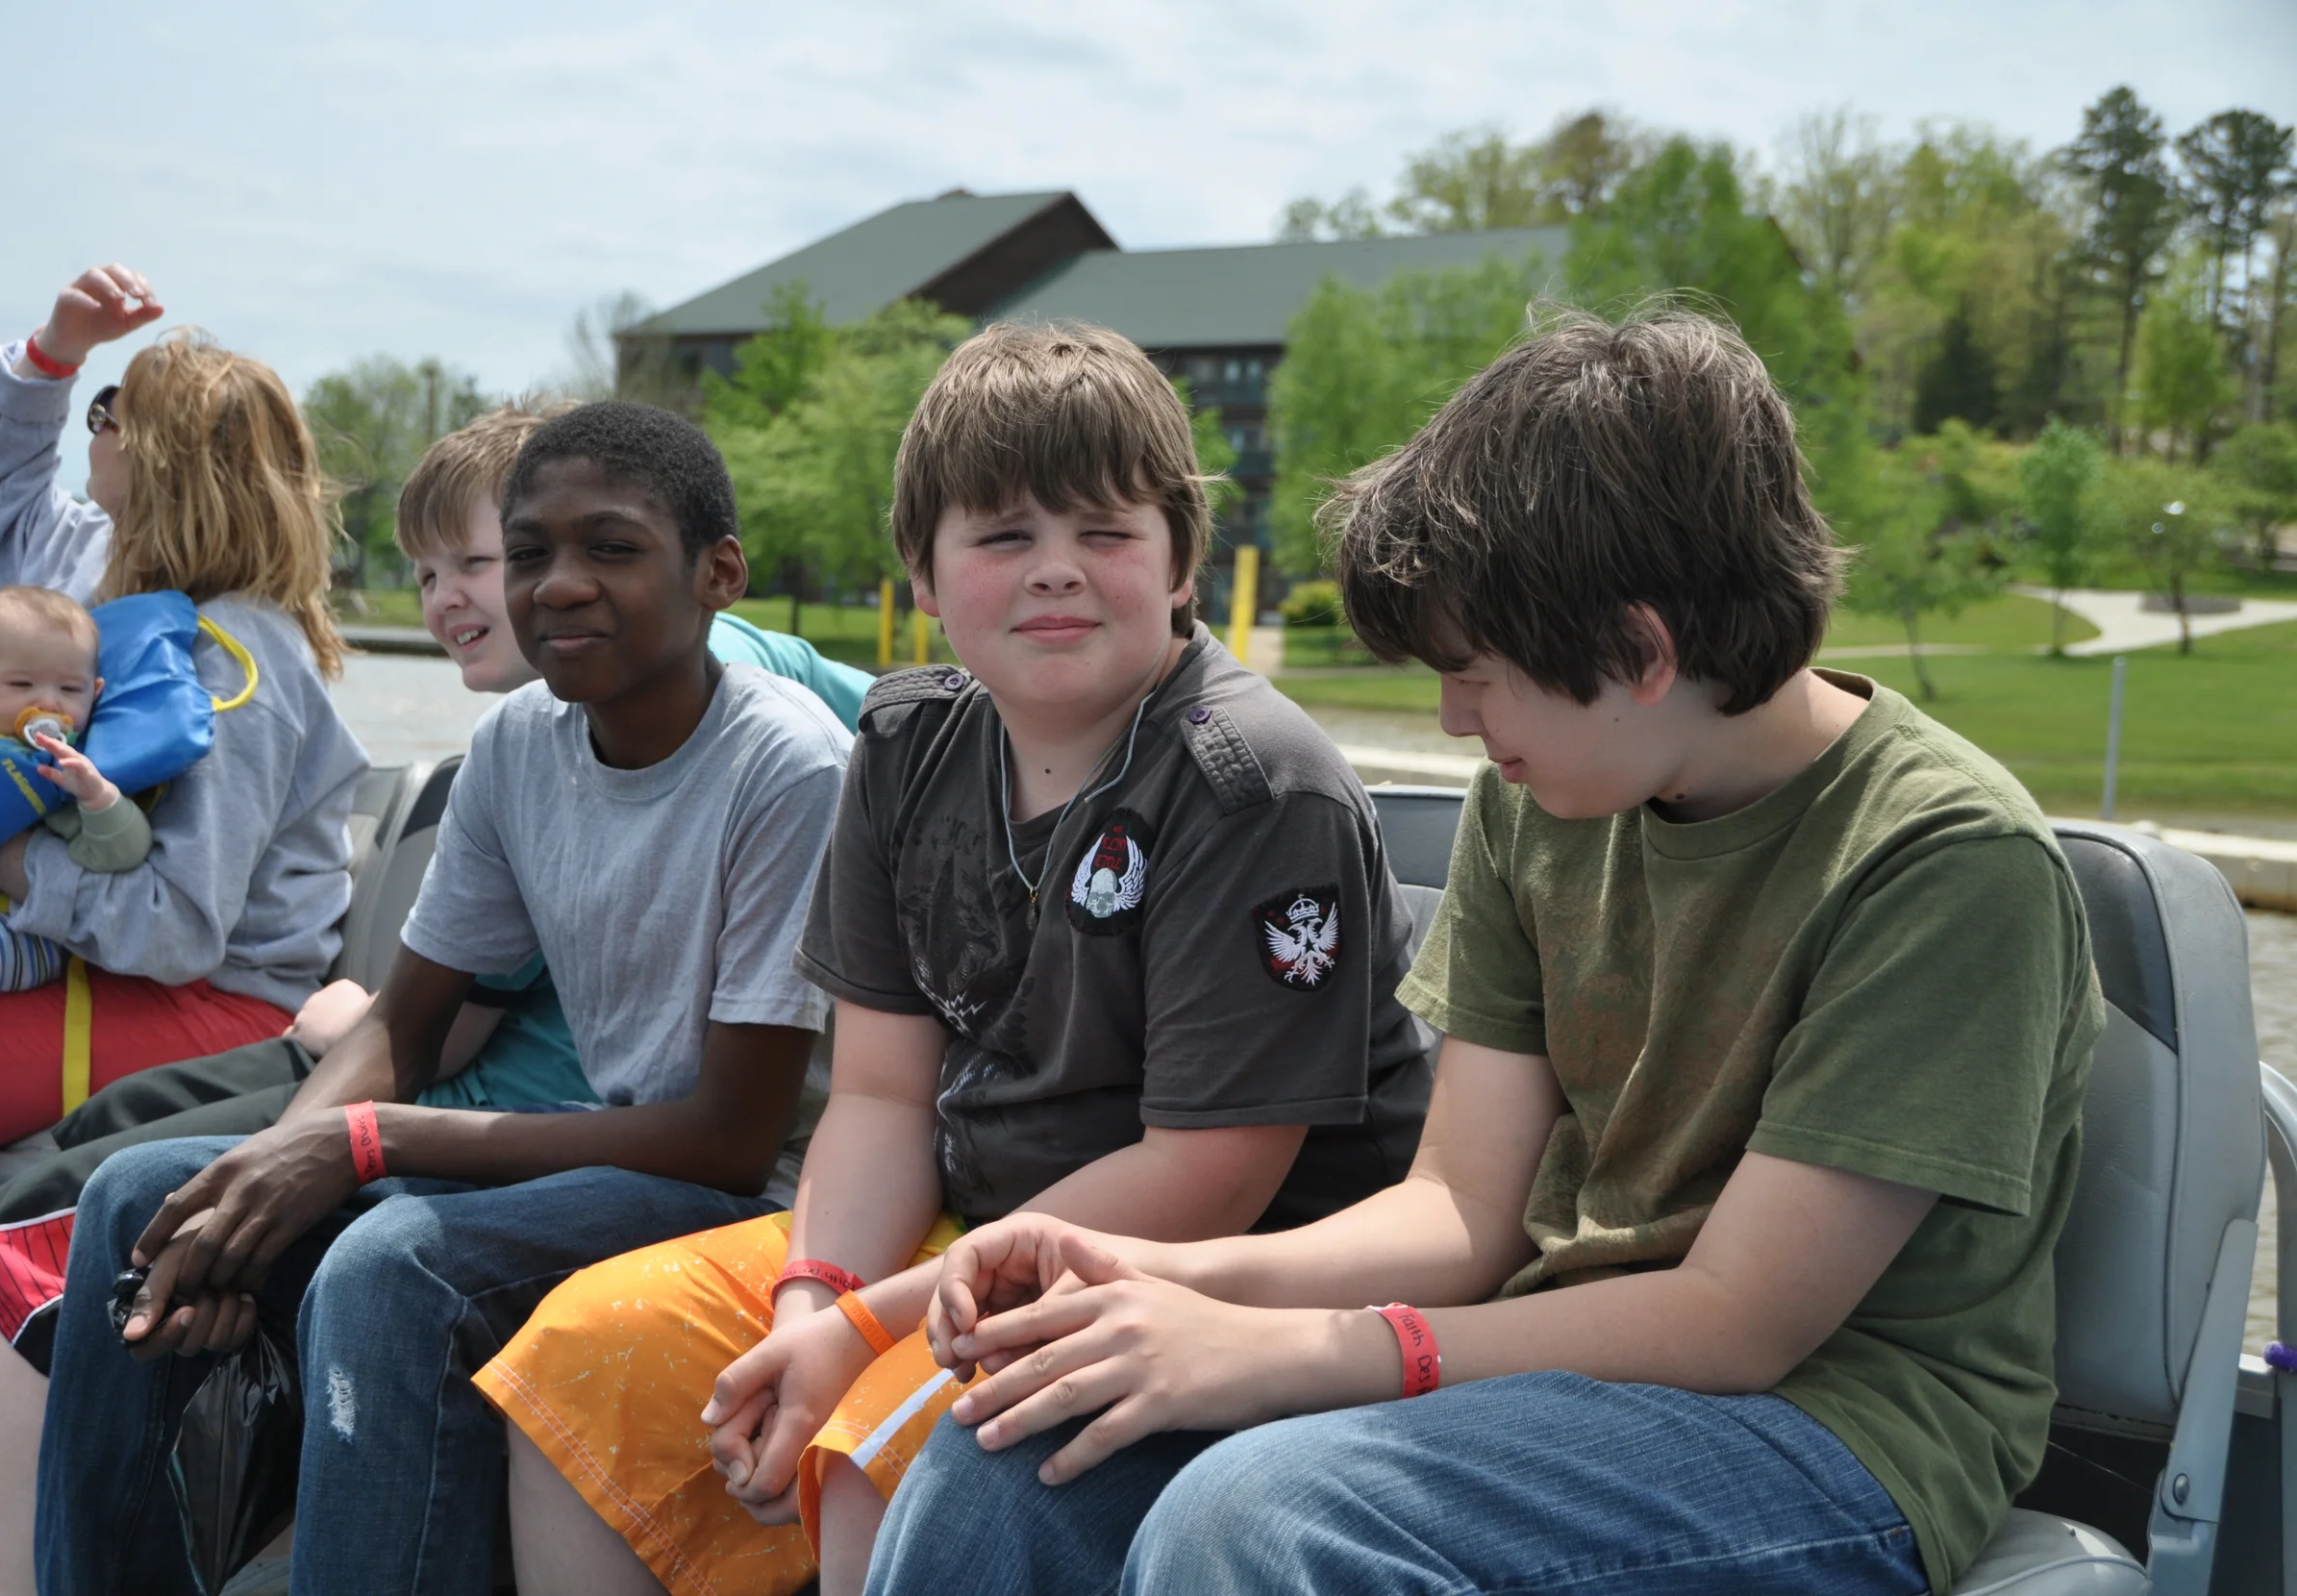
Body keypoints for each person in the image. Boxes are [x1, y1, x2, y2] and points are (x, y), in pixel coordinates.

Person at [865, 311, 2103, 1596]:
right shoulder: (1543, 793)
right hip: (1540, 1353)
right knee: (1020, 1430)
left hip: (1829, 1432)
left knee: (1262, 1520)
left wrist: (1294, 1354)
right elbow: (1460, 1208)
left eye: (1479, 676)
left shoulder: (1945, 864)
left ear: (1638, 652)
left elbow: (1739, 1320)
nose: (1455, 720)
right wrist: (1148, 1280)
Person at [482, 323, 1433, 1596]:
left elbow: (1210, 1175)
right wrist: (817, 1304)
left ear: (1182, 562)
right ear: (923, 577)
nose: (1056, 573)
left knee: (880, 1440)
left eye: (1105, 534)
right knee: (582, 1360)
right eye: (1001, 538)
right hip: (960, 1227)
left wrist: (869, 1331)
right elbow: (881, 1094)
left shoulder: (1250, 783)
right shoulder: (905, 745)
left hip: (1200, 1277)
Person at [0, 401, 866, 1596]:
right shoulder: (521, 747)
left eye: (612, 548)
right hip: (597, 1164)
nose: (560, 585)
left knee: (394, 1266)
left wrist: (354, 1142)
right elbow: (407, 1020)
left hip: (742, 1191)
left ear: (717, 573)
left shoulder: (787, 766)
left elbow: (728, 1137)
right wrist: (259, 1184)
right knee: (142, 1195)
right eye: (532, 552)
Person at [0, 263, 368, 1150]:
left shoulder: (233, 666)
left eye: (108, 408)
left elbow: (181, 930)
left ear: (160, 459)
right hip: (84, 964)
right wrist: (51, 359)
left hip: (211, 1006)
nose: (96, 425)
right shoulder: (94, 575)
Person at [0, 586, 155, 1025]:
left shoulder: (68, 774)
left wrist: (98, 798)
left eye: (69, 688)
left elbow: (122, 852)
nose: (48, 702)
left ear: (95, 693)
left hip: (22, 929)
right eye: (22, 684)